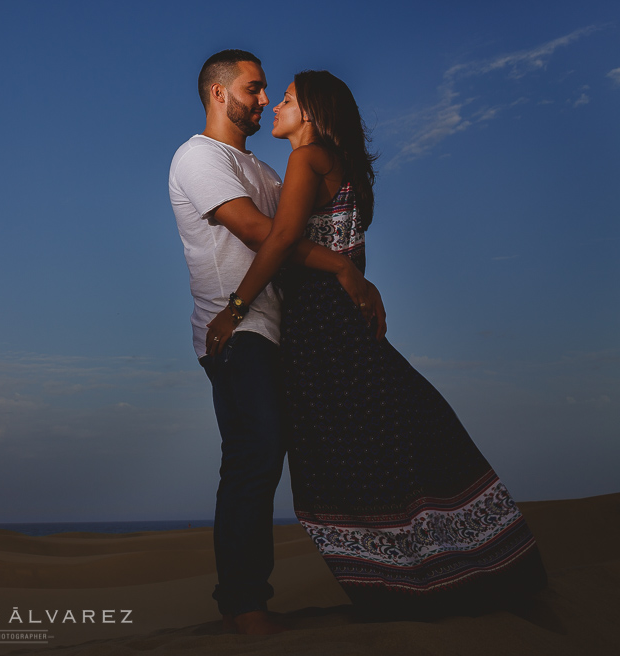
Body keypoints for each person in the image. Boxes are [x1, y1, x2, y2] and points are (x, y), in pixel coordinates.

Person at [208, 69, 547, 619]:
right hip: (343, 323)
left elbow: (283, 241)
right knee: (390, 439)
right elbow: (344, 256)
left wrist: (236, 308)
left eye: (287, 99)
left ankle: (406, 584)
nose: (275, 106)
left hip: (319, 329)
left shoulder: (306, 157)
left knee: (340, 456)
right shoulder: (343, 170)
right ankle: (456, 570)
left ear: (312, 113)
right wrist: (348, 274)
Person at [168, 51, 386, 635]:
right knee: (255, 452)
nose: (264, 99)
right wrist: (344, 272)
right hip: (236, 328)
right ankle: (243, 605)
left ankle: (390, 574)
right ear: (219, 95)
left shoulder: (265, 170)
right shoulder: (198, 156)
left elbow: (302, 228)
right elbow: (263, 232)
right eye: (254, 88)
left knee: (300, 454)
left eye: (270, 91)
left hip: (282, 331)